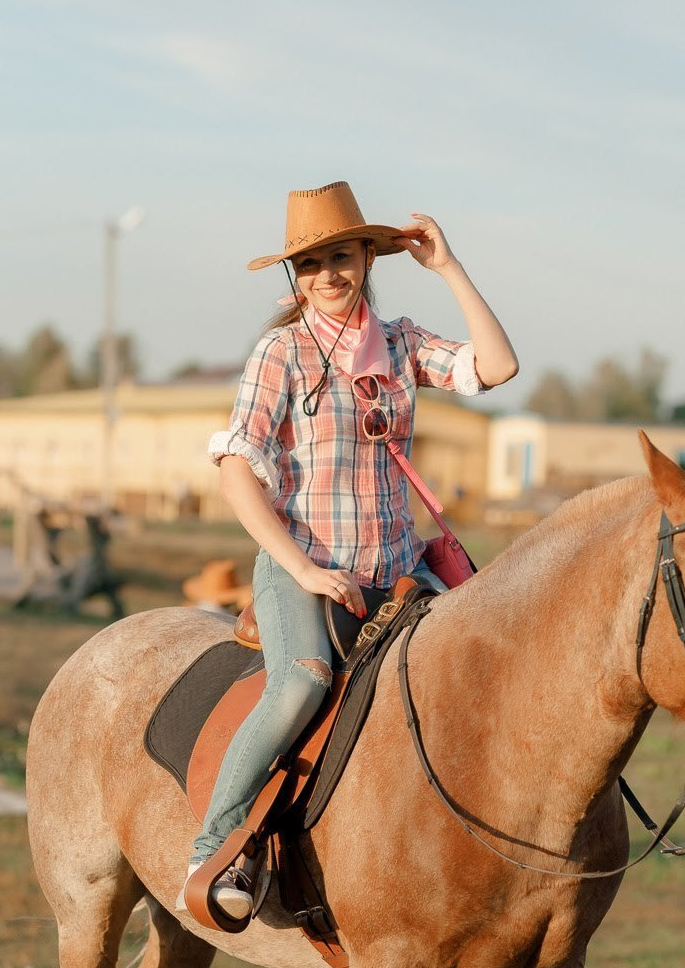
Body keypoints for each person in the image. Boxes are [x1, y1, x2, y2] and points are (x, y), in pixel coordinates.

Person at [177, 181, 519, 920]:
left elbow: (497, 368)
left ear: (368, 256)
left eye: (341, 256)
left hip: (400, 568)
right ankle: (215, 848)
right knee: (301, 683)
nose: (328, 274)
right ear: (294, 279)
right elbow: (236, 468)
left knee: (492, 665)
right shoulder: (283, 353)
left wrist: (450, 268)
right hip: (304, 563)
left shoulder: (398, 342)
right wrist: (301, 568)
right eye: (311, 265)